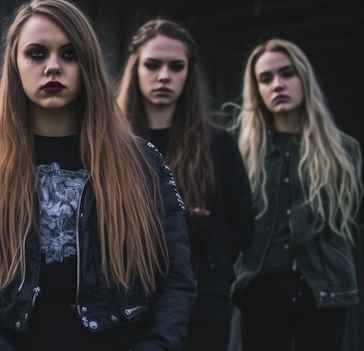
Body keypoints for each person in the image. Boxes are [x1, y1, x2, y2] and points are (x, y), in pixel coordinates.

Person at [0, 1, 196, 350]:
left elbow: (177, 279)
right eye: (37, 53)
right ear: (15, 63)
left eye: (70, 54)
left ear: (88, 63)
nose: (53, 67)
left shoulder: (144, 161)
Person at [115, 19, 254, 351]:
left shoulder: (218, 143)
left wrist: (207, 246)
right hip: (123, 303)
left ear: (189, 72)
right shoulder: (109, 142)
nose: (164, 75)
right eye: (152, 64)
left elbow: (243, 226)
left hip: (202, 304)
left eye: (176, 66)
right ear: (135, 68)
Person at [231, 38, 363, 351]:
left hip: (323, 286)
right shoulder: (241, 150)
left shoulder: (344, 150)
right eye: (266, 78)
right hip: (259, 286)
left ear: (304, 79)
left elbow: (352, 217)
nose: (277, 84)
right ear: (257, 91)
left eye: (287, 74)